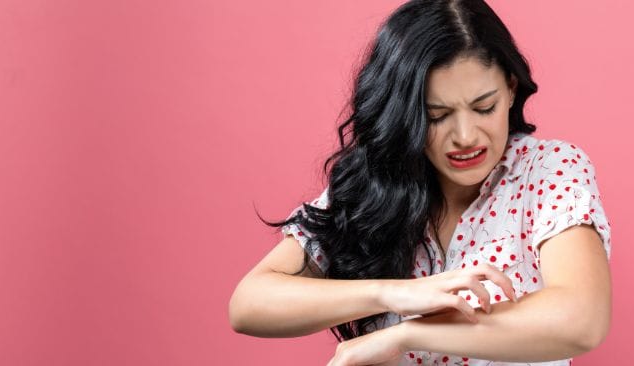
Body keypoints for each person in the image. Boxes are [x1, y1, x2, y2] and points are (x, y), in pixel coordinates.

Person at [228, 0, 612, 365]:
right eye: (437, 115)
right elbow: (249, 304)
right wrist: (397, 293)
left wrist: (406, 334)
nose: (465, 136)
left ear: (511, 88)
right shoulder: (375, 186)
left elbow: (581, 317)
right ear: (403, 114)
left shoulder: (546, 171)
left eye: (484, 107)